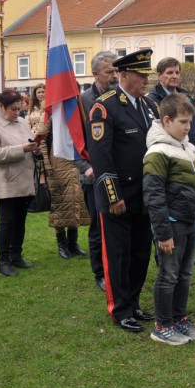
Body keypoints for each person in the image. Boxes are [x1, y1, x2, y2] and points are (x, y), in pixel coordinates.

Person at [87, 48, 159, 333]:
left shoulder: (149, 106)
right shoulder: (104, 107)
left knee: (140, 253)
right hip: (119, 195)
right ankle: (119, 310)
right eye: (142, 76)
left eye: (147, 76)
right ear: (125, 76)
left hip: (144, 192)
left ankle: (133, 302)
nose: (146, 81)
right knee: (118, 255)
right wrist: (113, 196)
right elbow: (101, 157)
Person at [143, 93, 195, 345]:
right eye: (183, 122)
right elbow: (154, 196)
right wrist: (163, 233)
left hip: (192, 221)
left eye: (190, 122)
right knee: (169, 275)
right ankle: (162, 325)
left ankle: (180, 319)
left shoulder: (190, 148)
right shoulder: (157, 151)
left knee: (185, 274)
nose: (188, 127)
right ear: (167, 120)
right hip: (172, 223)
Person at [0, 90, 41, 276]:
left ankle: (16, 255)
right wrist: (22, 148)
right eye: (13, 109)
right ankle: (3, 260)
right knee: (7, 221)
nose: (17, 113)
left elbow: (29, 144)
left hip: (24, 179)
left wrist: (35, 150)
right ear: (1, 106)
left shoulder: (22, 122)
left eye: (19, 109)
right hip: (5, 181)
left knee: (20, 220)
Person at [77, 50, 118, 292]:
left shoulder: (119, 96)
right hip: (93, 175)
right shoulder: (83, 100)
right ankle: (100, 273)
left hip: (118, 172)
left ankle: (116, 267)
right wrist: (86, 168)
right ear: (95, 74)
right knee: (98, 227)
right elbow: (73, 140)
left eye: (116, 71)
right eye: (109, 71)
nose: (114, 75)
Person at [37, 114, 90, 260]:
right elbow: (41, 140)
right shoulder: (49, 114)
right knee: (60, 204)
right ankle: (62, 244)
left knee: (75, 202)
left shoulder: (74, 110)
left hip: (76, 162)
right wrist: (46, 164)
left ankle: (73, 243)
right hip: (56, 165)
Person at [146, 57, 195, 148]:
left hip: (191, 150)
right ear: (159, 76)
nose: (175, 76)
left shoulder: (187, 97)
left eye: (177, 72)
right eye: (170, 73)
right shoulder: (151, 101)